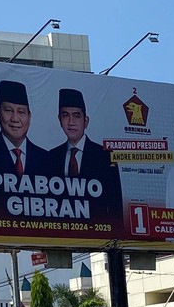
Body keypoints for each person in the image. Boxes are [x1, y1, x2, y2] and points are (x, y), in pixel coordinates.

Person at [49, 88, 123, 231]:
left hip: (97, 231)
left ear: (86, 121)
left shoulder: (106, 156)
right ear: (59, 120)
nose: (71, 122)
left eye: (76, 116)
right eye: (65, 115)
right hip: (59, 231)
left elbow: (115, 206)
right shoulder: (51, 157)